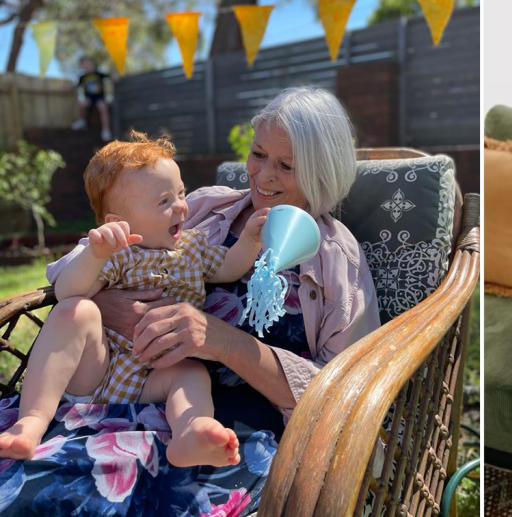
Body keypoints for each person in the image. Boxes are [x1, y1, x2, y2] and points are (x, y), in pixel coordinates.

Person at [48, 87, 380, 434]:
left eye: (286, 165)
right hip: (137, 392)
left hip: (244, 434)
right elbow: (97, 256)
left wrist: (222, 342)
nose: (264, 174)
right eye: (258, 154)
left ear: (322, 171)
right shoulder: (205, 207)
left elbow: (345, 393)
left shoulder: (338, 259)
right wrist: (101, 301)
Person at [0, 132, 270, 467]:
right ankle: (32, 422)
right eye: (164, 202)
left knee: (192, 374)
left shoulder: (193, 248)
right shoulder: (115, 252)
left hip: (155, 376)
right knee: (76, 311)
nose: (181, 206)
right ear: (118, 223)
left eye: (181, 193)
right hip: (97, 370)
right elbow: (69, 291)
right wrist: (96, 255)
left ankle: (191, 431)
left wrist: (250, 239)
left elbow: (229, 267)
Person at [71, 56, 113, 141]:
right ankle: (82, 121)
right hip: (89, 98)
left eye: (88, 64)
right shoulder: (82, 77)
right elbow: (76, 86)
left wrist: (114, 77)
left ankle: (106, 130)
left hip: (99, 97)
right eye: (84, 65)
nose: (86, 67)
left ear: (93, 65)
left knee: (103, 107)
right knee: (83, 104)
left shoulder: (98, 74)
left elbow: (109, 76)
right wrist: (70, 88)